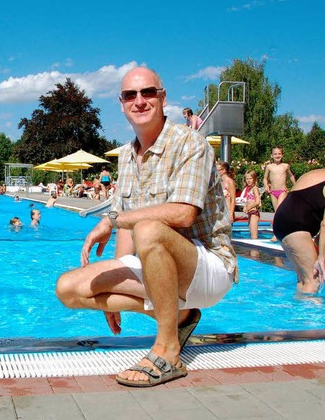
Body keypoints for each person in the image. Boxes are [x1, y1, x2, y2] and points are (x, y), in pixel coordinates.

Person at [55, 67, 236, 388]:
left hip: (208, 266)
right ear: (122, 104)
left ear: (162, 97)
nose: (139, 101)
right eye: (130, 95)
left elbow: (181, 215)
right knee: (69, 288)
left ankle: (168, 352)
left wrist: (111, 220)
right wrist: (113, 278)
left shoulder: (189, 143)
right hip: (158, 264)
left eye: (148, 92)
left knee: (150, 229)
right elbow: (127, 226)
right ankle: (180, 317)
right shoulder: (126, 156)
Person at [272, 168, 325, 294]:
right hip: (294, 225)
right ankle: (308, 313)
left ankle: (298, 310)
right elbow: (324, 225)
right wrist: (321, 258)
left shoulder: (318, 173)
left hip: (284, 220)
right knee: (313, 281)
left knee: (303, 280)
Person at [264, 146, 296, 241]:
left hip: (282, 191)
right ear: (272, 155)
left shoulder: (285, 166)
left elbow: (290, 176)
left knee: (279, 211)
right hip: (273, 192)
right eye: (275, 154)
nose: (277, 155)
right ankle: (282, 231)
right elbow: (265, 178)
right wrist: (266, 185)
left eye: (279, 154)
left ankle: (277, 234)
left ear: (282, 155)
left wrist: (295, 185)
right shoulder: (269, 166)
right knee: (277, 213)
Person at [241, 170, 261, 239]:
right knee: (251, 235)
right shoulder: (249, 189)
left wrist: (248, 207)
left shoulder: (255, 188)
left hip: (254, 213)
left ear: (254, 179)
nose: (248, 180)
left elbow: (257, 201)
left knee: (254, 237)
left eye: (250, 178)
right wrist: (245, 206)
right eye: (247, 179)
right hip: (250, 213)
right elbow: (249, 200)